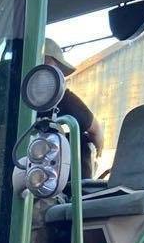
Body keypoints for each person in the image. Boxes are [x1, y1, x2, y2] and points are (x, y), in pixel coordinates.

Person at [44, 37, 104, 177]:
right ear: (47, 63)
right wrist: (97, 155)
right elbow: (96, 132)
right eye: (58, 69)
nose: (60, 78)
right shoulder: (58, 94)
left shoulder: (2, 85)